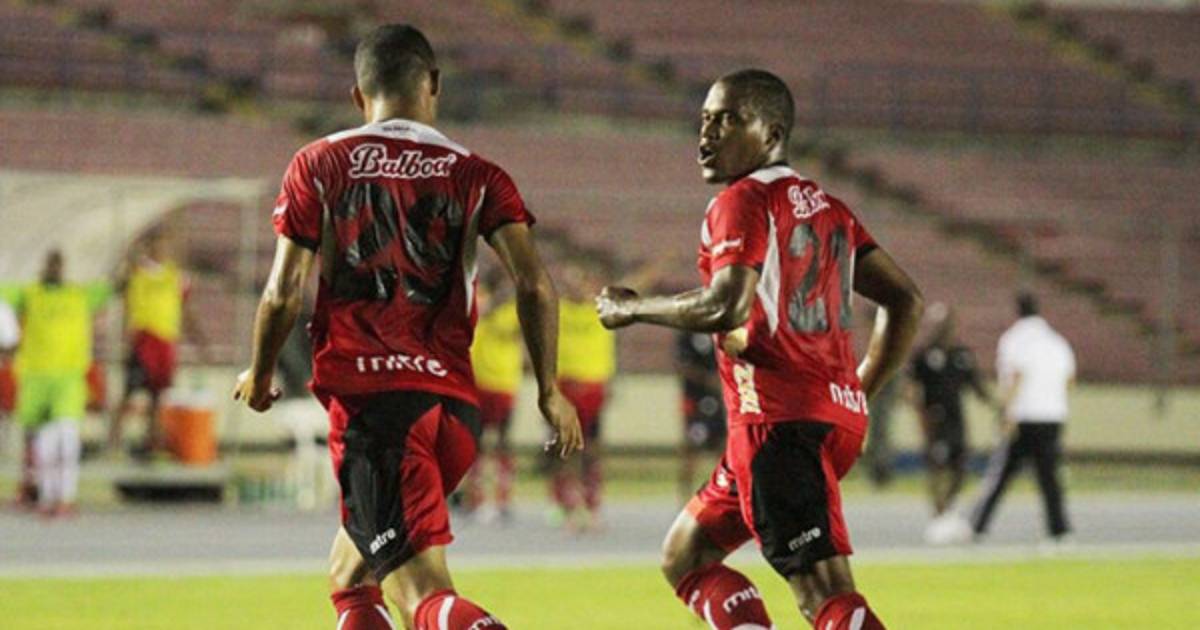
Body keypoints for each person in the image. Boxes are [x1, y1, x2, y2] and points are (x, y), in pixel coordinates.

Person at [232, 24, 582, 630]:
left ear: (357, 95)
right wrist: (549, 389)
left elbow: (283, 292)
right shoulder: (478, 174)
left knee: (422, 593)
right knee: (351, 576)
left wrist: (261, 375)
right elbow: (534, 284)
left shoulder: (320, 162)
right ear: (434, 84)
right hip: (454, 413)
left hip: (377, 409)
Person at [596, 69, 923, 629]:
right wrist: (858, 392)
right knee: (686, 555)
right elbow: (906, 301)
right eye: (705, 119)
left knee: (824, 594)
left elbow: (725, 305)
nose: (707, 133)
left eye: (727, 120)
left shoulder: (743, 200)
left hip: (776, 424)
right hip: (815, 420)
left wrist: (632, 309)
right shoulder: (829, 208)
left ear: (771, 133)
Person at [949, 293, 1075, 547]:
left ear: (1017, 311)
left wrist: (1006, 412)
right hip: (1052, 416)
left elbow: (1015, 377)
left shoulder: (1015, 339)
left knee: (1000, 474)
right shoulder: (1057, 341)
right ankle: (1060, 532)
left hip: (1025, 416)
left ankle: (976, 526)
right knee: (1050, 478)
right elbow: (1070, 380)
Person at [1, 250, 111, 517]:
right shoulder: (30, 293)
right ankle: (38, 492)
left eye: (58, 265)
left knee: (67, 439)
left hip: (68, 377)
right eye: (50, 264)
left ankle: (65, 497)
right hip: (34, 376)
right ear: (44, 267)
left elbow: (113, 287)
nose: (54, 269)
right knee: (39, 441)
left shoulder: (78, 295)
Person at [108, 229, 206, 458]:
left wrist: (198, 339)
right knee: (129, 393)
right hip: (143, 341)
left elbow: (185, 309)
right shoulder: (136, 271)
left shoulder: (175, 276)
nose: (161, 250)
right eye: (156, 245)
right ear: (149, 247)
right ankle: (113, 444)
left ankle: (150, 445)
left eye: (164, 246)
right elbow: (118, 287)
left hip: (166, 343)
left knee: (157, 398)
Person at [548, 254, 615, 531]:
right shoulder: (558, 309)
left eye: (581, 280)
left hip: (593, 388)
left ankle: (592, 504)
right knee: (566, 450)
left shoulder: (602, 309)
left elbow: (636, 287)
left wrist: (663, 264)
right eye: (571, 281)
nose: (575, 286)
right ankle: (566, 504)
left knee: (593, 451)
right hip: (565, 388)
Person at [908, 302, 991, 523]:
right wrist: (920, 415)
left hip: (956, 418)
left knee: (960, 464)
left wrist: (995, 405)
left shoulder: (962, 355)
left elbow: (976, 386)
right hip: (934, 418)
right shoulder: (923, 355)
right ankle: (938, 511)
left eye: (945, 324)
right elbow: (911, 388)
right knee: (936, 466)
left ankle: (949, 504)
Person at [463, 271, 522, 523]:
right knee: (474, 444)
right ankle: (474, 498)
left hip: (504, 384)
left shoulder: (513, 313)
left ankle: (502, 498)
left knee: (502, 443)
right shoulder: (477, 304)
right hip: (478, 383)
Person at [675, 329, 726, 504]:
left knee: (723, 447)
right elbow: (682, 365)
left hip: (716, 400)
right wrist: (707, 379)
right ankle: (685, 499)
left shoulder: (718, 331)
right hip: (695, 400)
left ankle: (724, 494)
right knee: (692, 448)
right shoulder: (688, 333)